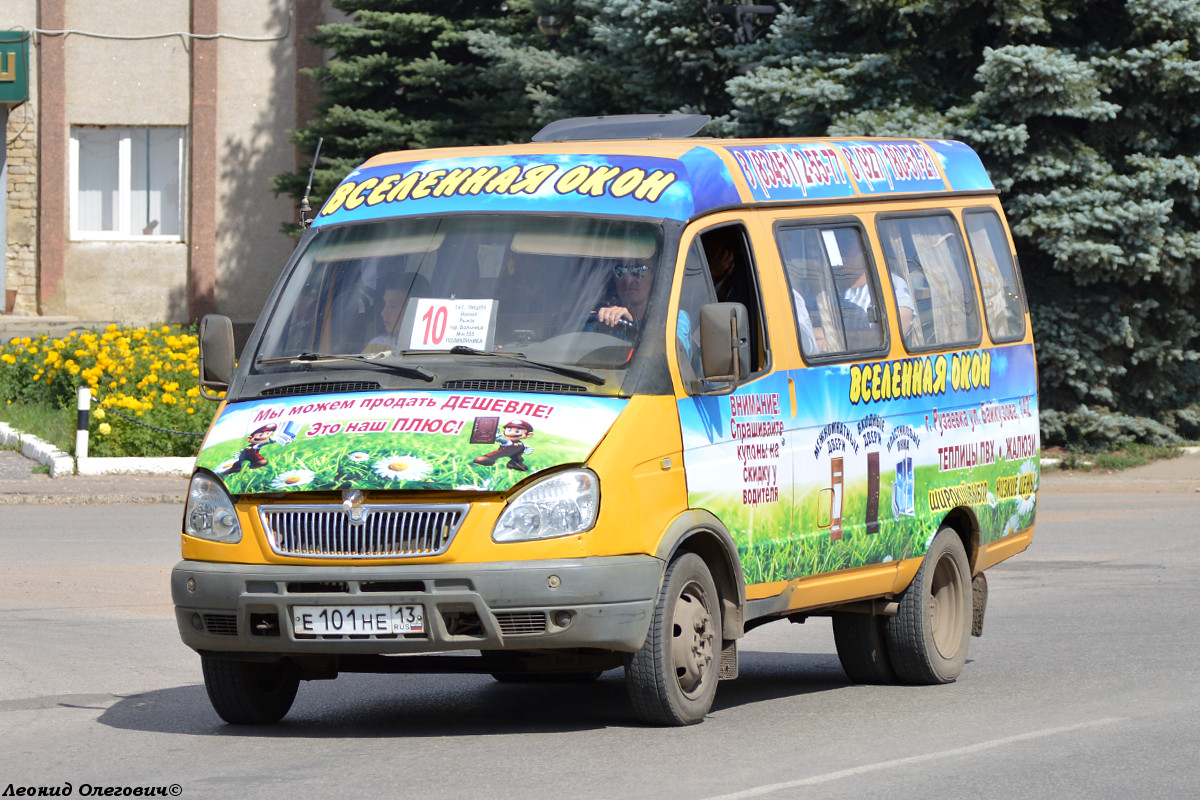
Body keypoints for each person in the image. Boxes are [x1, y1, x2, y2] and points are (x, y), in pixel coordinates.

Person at [365, 272, 433, 351]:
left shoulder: (438, 353)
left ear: (417, 310)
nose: (383, 313)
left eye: (393, 306)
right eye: (385, 304)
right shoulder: (376, 346)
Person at [590, 258, 654, 336]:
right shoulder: (595, 320)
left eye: (638, 270)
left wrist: (629, 331)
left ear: (654, 275)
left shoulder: (666, 326)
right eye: (620, 270)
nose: (628, 280)